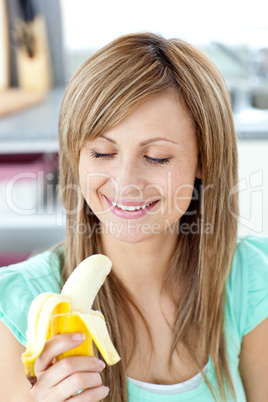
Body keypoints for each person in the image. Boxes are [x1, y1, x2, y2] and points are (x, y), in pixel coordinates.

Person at [0, 32, 268, 402]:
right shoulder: (15, 307)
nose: (125, 184)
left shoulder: (252, 279)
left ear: (204, 159)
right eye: (102, 153)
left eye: (156, 157)